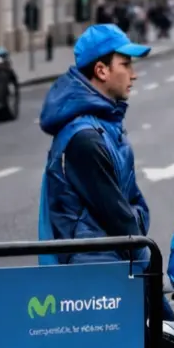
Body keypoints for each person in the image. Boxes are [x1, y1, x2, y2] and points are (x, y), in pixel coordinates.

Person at [38, 24, 154, 271]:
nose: (133, 75)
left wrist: (137, 217)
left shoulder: (106, 126)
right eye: (125, 64)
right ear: (101, 70)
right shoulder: (85, 139)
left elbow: (134, 210)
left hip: (111, 263)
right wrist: (137, 218)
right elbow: (126, 226)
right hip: (95, 278)